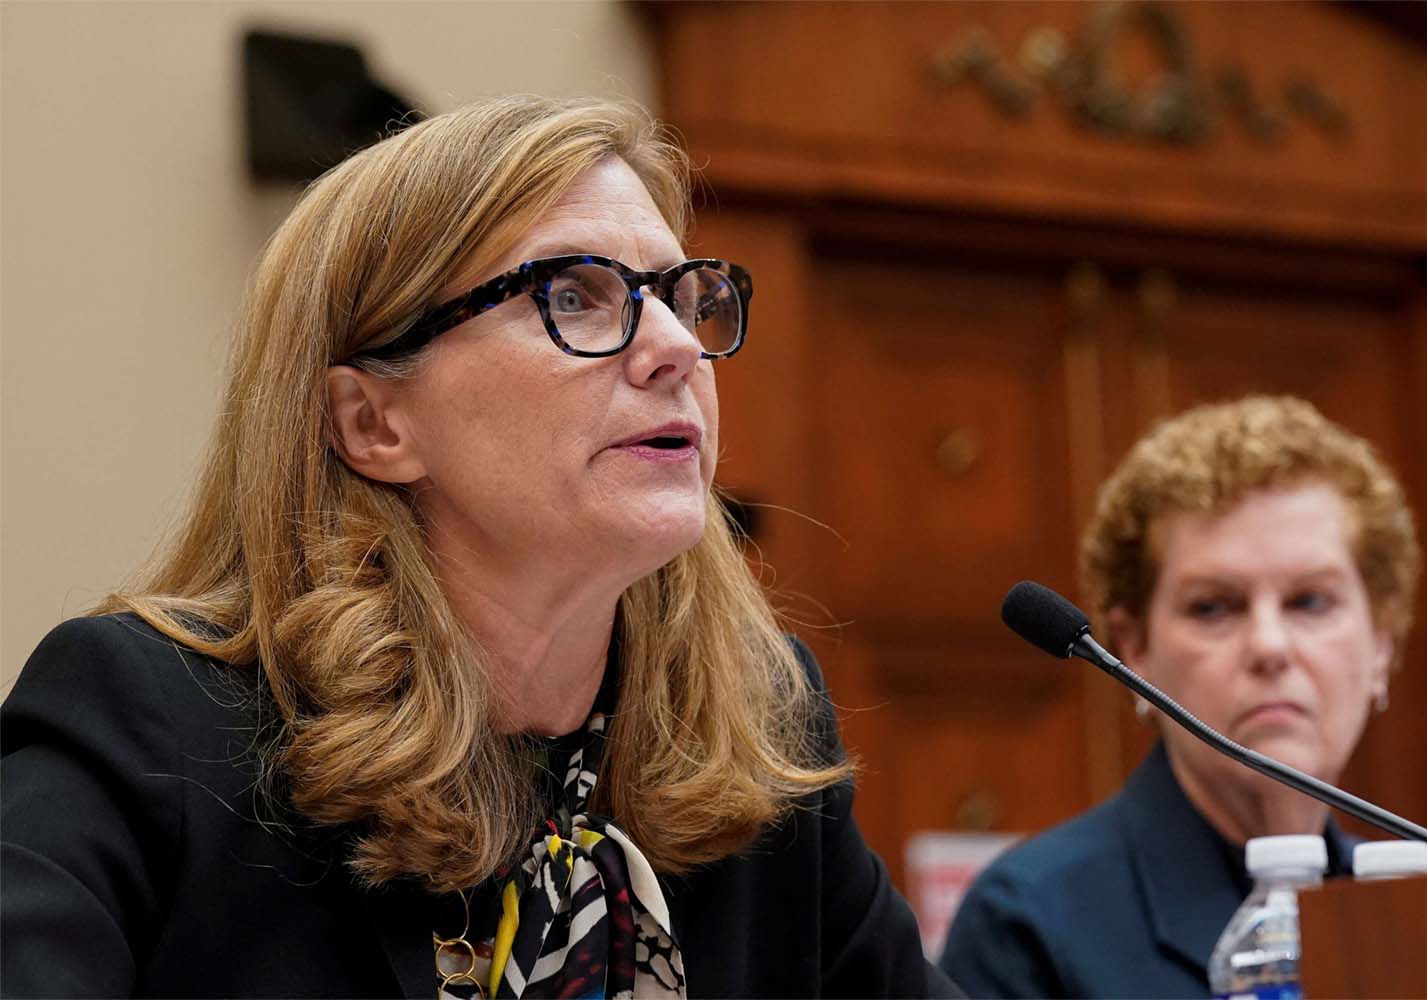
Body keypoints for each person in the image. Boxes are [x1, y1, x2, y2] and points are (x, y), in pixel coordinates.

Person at [1, 97, 957, 998]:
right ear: (374, 423)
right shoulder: (148, 726)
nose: (674, 347)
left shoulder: (758, 727)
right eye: (574, 296)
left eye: (682, 296)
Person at [940, 395, 1419, 998]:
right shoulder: (1028, 925)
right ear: (1135, 650)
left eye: (1309, 602)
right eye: (1213, 607)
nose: (1270, 646)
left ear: (1380, 645)